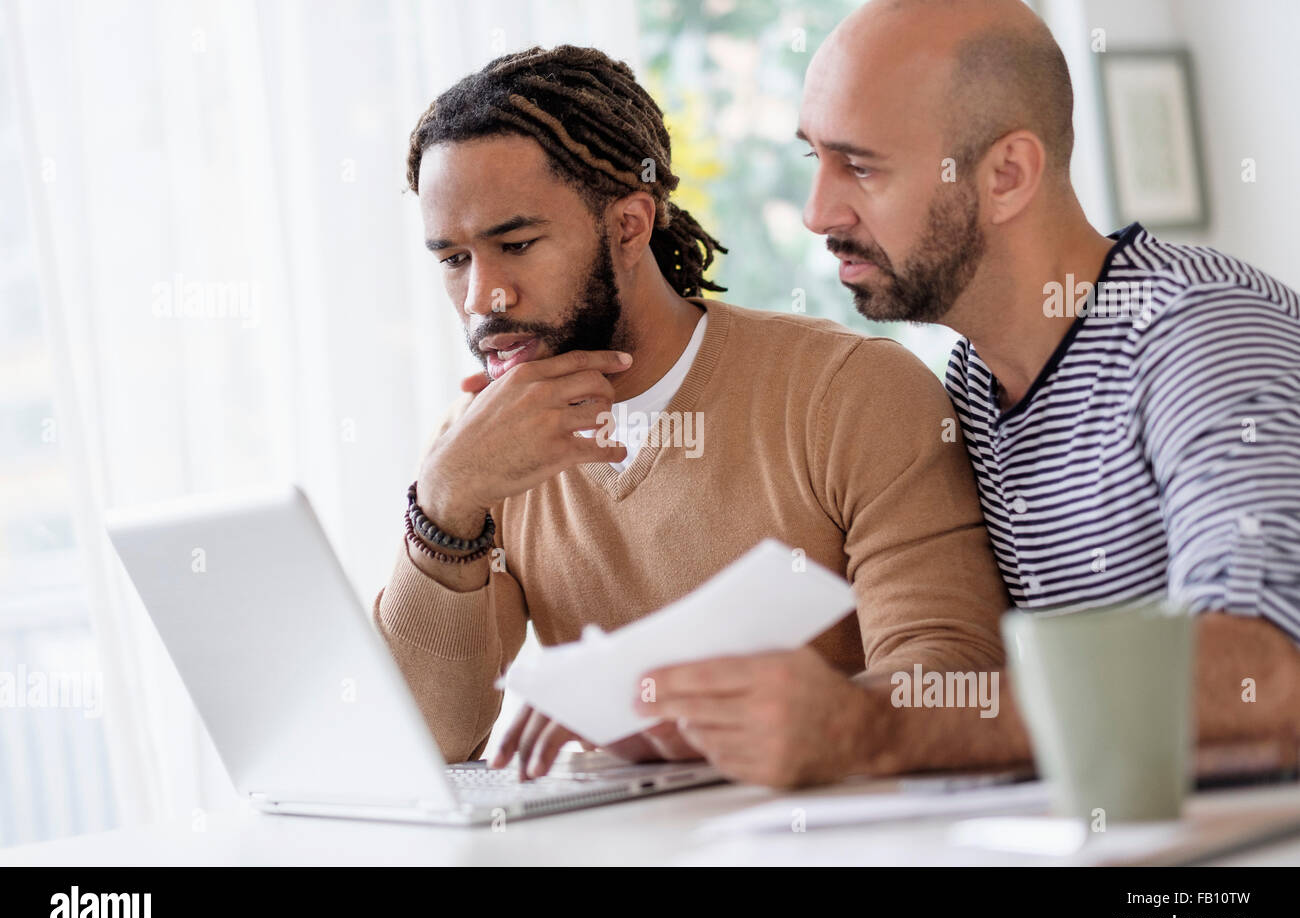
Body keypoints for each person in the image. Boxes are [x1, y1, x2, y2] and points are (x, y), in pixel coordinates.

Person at [375, 44, 1010, 788]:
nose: (485, 297)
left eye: (515, 244)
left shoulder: (849, 391)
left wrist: (695, 715)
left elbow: (954, 678)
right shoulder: (488, 448)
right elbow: (430, 744)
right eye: (453, 260)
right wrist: (445, 503)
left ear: (631, 225)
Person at [776, 0, 1300, 771]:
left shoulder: (1201, 335)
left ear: (1006, 176)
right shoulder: (972, 384)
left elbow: (1267, 676)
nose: (818, 212)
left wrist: (873, 726)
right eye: (811, 158)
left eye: (860, 165)